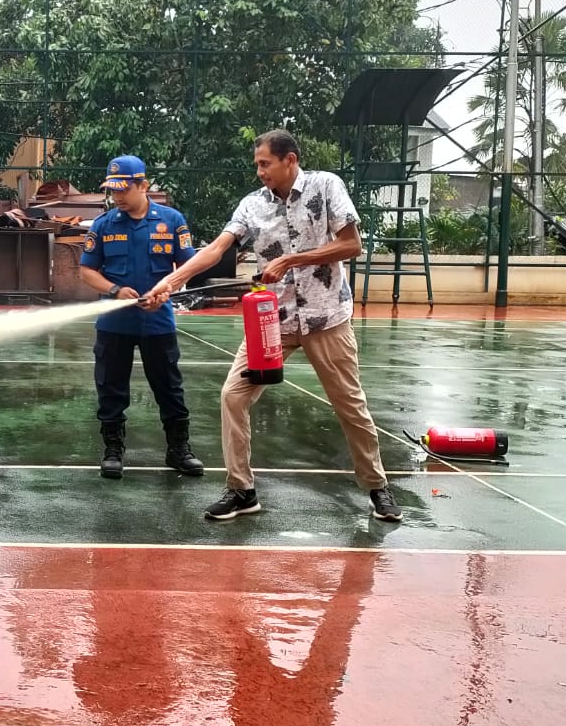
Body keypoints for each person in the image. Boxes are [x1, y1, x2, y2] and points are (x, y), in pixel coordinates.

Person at [146, 130, 401, 522]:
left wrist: (289, 261)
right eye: (257, 165)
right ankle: (241, 490)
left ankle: (376, 488)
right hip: (273, 323)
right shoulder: (252, 205)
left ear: (290, 160)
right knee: (233, 395)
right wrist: (169, 284)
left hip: (325, 318)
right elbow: (216, 249)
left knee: (350, 407)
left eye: (265, 163)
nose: (260, 171)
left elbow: (352, 245)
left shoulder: (325, 186)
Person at [78, 155, 203, 480]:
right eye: (112, 190)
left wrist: (166, 290)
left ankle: (178, 450)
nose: (117, 196)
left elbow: (187, 267)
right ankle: (112, 451)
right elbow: (86, 271)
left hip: (158, 322)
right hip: (114, 324)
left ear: (143, 185)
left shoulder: (172, 221)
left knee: (169, 388)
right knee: (110, 388)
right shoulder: (104, 225)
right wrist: (115, 289)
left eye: (123, 189)